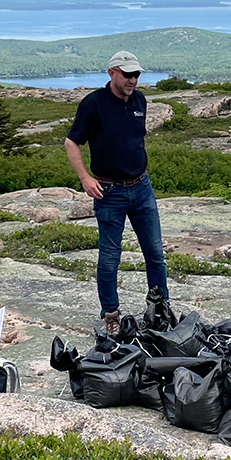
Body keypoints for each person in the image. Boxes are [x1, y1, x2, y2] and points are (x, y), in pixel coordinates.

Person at [64, 50, 169, 335]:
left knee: (155, 253)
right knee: (110, 257)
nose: (133, 80)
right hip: (109, 191)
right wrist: (85, 177)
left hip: (142, 188)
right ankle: (111, 314)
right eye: (127, 74)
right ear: (112, 73)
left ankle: (160, 306)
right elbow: (72, 142)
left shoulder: (139, 100)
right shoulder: (93, 104)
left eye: (136, 74)